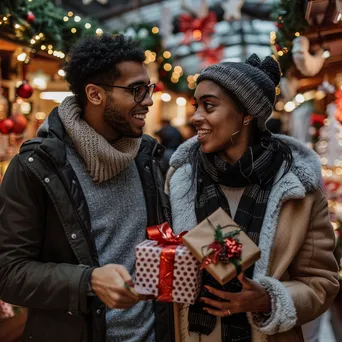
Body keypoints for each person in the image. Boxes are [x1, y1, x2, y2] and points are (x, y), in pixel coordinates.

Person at [0, 34, 173, 342]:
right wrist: (88, 281)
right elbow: (8, 273)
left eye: (148, 89)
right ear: (95, 94)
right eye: (136, 90)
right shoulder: (37, 166)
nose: (148, 100)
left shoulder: (146, 156)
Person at [166, 54, 340, 342]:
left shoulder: (298, 192)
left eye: (208, 106)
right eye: (197, 106)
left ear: (246, 113)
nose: (196, 117)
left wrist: (269, 300)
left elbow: (321, 283)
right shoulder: (181, 181)